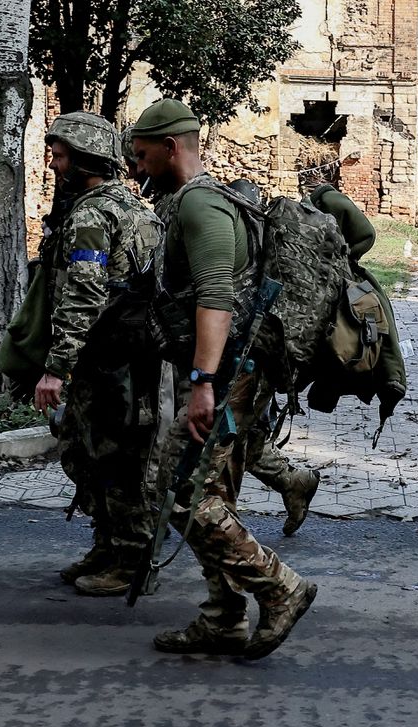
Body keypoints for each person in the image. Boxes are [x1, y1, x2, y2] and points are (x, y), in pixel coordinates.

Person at [128, 98, 315, 658]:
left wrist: (203, 384)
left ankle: (280, 587)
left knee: (182, 494)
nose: (136, 166)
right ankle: (222, 617)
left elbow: (215, 299)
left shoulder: (201, 206)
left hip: (226, 371)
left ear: (171, 146)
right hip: (228, 367)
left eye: (141, 155)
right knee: (211, 493)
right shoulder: (193, 200)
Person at [34, 112, 164, 596]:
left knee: (111, 460)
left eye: (62, 155)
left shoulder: (91, 214)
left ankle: (130, 560)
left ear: (86, 159)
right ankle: (109, 545)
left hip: (109, 359)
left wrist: (56, 368)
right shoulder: (133, 207)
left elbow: (84, 295)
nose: (54, 164)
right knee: (97, 454)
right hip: (131, 357)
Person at [224, 178, 322, 538]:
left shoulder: (247, 246)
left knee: (230, 441)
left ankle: (224, 523)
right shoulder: (268, 239)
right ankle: (295, 483)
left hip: (251, 360)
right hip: (265, 359)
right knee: (248, 442)